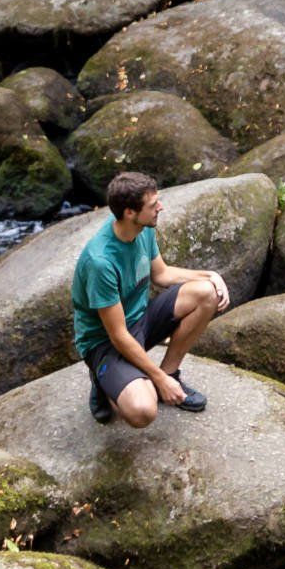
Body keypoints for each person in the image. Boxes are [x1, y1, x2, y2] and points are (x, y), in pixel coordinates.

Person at [72, 170, 229, 425]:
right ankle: (102, 380)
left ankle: (171, 374)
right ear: (129, 213)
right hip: (105, 342)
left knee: (206, 292)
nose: (161, 207)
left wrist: (210, 275)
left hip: (139, 320)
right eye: (153, 205)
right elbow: (118, 335)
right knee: (143, 411)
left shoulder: (142, 230)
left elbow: (162, 274)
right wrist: (157, 379)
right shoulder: (100, 262)